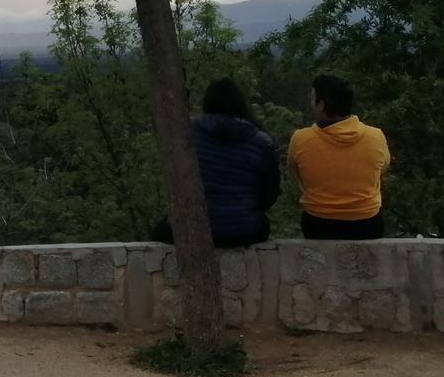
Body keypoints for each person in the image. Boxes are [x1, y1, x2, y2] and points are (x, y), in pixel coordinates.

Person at [150, 78, 280, 248]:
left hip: (196, 228)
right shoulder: (262, 142)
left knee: (160, 230)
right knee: (262, 223)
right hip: (244, 230)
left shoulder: (188, 132)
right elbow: (269, 196)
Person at [289, 73, 391, 240]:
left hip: (319, 225)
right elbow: (382, 169)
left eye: (312, 98)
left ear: (321, 104)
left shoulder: (301, 139)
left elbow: (297, 174)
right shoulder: (376, 136)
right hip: (367, 224)